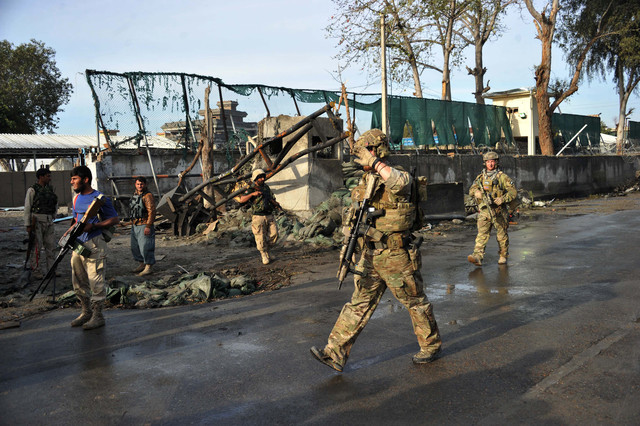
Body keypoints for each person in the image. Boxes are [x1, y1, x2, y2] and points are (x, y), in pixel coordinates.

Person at [310, 129, 442, 372]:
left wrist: (375, 162)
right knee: (358, 303)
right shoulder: (365, 181)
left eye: (364, 152)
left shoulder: (396, 173)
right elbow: (354, 219)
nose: (361, 159)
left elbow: (401, 183)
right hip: (370, 255)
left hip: (397, 256)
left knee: (414, 302)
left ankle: (431, 345)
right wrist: (346, 251)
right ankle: (334, 353)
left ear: (377, 151)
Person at [67, 165, 119, 330]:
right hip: (78, 244)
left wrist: (95, 226)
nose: (72, 182)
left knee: (95, 280)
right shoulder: (76, 199)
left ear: (85, 179)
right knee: (78, 280)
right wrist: (69, 232)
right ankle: (86, 312)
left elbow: (114, 219)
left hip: (95, 242)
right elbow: (76, 220)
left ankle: (98, 316)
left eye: (74, 179)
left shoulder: (100, 198)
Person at [467, 151, 517, 266]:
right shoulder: (480, 178)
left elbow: (513, 192)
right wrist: (476, 192)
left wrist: (503, 199)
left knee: (501, 236)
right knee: (481, 235)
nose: (490, 164)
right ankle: (477, 256)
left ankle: (503, 255)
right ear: (485, 163)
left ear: (496, 163)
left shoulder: (502, 177)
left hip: (498, 211)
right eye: (488, 162)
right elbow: (471, 190)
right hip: (485, 211)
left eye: (492, 161)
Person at [237, 169, 281, 265]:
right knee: (260, 237)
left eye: (263, 177)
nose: (262, 179)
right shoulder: (251, 188)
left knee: (274, 234)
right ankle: (263, 254)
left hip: (269, 214)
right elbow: (242, 199)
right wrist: (252, 194)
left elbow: (271, 197)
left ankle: (268, 251)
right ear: (256, 178)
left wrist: (276, 204)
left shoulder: (266, 187)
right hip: (258, 216)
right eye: (260, 177)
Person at [24, 167, 58, 279]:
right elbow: (28, 208)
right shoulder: (32, 190)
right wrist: (28, 225)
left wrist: (54, 216)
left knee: (51, 247)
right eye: (47, 176)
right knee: (37, 248)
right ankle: (37, 271)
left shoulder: (50, 189)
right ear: (41, 177)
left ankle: (51, 270)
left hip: (49, 220)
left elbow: (54, 203)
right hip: (37, 221)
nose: (50, 178)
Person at [129, 176, 156, 276]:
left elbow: (152, 211)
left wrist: (148, 225)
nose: (140, 186)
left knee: (146, 246)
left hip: (144, 224)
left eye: (141, 184)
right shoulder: (136, 195)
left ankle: (148, 266)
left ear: (145, 184)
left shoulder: (148, 196)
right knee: (135, 247)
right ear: (135, 185)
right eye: (138, 184)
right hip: (135, 224)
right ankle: (141, 264)